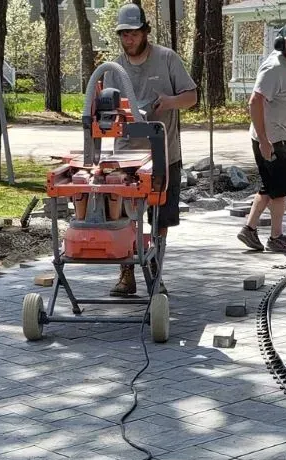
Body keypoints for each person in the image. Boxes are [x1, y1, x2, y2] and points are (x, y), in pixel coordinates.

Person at [111, 3, 197, 296]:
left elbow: (192, 96)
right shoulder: (114, 69)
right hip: (126, 157)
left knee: (160, 220)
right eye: (124, 35)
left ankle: (154, 272)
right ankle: (126, 275)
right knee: (125, 218)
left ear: (145, 31)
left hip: (163, 154)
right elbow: (103, 110)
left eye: (133, 34)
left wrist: (170, 102)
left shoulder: (167, 59)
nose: (129, 40)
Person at [239, 21, 286, 254]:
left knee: (270, 187)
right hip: (272, 139)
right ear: (282, 43)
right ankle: (276, 238)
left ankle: (249, 229)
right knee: (280, 192)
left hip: (280, 135)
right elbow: (255, 101)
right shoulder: (274, 67)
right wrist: (264, 141)